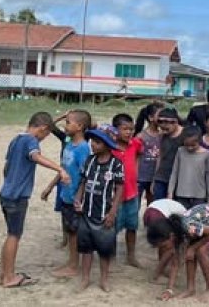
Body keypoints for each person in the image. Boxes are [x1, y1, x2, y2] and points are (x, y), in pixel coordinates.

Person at [0, 112, 70, 288]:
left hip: (6, 193)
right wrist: (59, 169)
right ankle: (9, 277)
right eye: (45, 135)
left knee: (10, 235)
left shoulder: (16, 139)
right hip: (17, 197)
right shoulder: (31, 141)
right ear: (42, 129)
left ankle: (3, 271)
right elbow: (35, 156)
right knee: (14, 235)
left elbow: (6, 168)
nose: (44, 139)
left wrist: (10, 182)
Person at [149, 203, 209, 302]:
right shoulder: (177, 233)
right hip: (205, 224)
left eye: (163, 245)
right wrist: (169, 290)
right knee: (189, 253)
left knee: (200, 251)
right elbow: (175, 264)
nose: (164, 249)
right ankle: (190, 289)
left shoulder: (188, 226)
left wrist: (193, 248)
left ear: (171, 237)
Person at [42, 110, 92, 278]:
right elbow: (63, 168)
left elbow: (86, 176)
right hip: (65, 194)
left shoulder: (84, 149)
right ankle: (72, 261)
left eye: (69, 122)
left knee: (75, 232)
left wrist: (79, 196)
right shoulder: (69, 144)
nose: (65, 125)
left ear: (80, 127)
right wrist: (50, 187)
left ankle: (74, 265)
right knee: (70, 231)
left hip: (74, 198)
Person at [73, 128, 124, 292]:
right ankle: (85, 278)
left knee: (104, 248)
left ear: (107, 145)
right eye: (92, 141)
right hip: (86, 212)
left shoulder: (116, 164)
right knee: (86, 248)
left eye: (97, 142)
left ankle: (104, 280)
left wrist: (112, 212)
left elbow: (119, 189)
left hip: (104, 214)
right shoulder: (89, 160)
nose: (93, 145)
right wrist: (78, 198)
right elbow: (83, 181)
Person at [110, 114, 144, 268]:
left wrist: (136, 169)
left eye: (131, 129)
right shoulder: (109, 146)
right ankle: (110, 255)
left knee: (132, 226)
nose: (129, 132)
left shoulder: (135, 144)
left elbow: (140, 153)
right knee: (112, 227)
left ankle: (131, 255)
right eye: (124, 129)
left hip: (132, 193)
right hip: (114, 196)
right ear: (115, 130)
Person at [143, 199, 187, 298]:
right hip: (157, 212)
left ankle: (157, 273)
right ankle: (158, 274)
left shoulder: (183, 226)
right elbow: (176, 259)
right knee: (167, 247)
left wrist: (169, 289)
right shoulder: (179, 226)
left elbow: (176, 260)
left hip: (149, 211)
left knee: (168, 248)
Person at [167, 126, 209, 209]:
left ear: (199, 141)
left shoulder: (206, 153)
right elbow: (174, 172)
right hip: (181, 194)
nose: (190, 148)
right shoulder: (180, 151)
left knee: (197, 219)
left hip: (199, 196)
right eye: (187, 145)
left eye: (193, 145)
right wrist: (170, 192)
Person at [134, 103, 164, 206]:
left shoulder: (163, 136)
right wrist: (135, 177)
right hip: (140, 177)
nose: (163, 118)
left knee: (152, 205)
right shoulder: (141, 136)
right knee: (135, 204)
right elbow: (135, 158)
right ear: (151, 118)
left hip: (154, 177)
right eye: (160, 115)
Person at [151, 107, 182, 200]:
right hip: (161, 178)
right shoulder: (163, 135)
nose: (163, 130)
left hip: (178, 180)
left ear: (175, 122)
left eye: (166, 128)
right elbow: (160, 157)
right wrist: (154, 180)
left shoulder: (186, 135)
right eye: (161, 127)